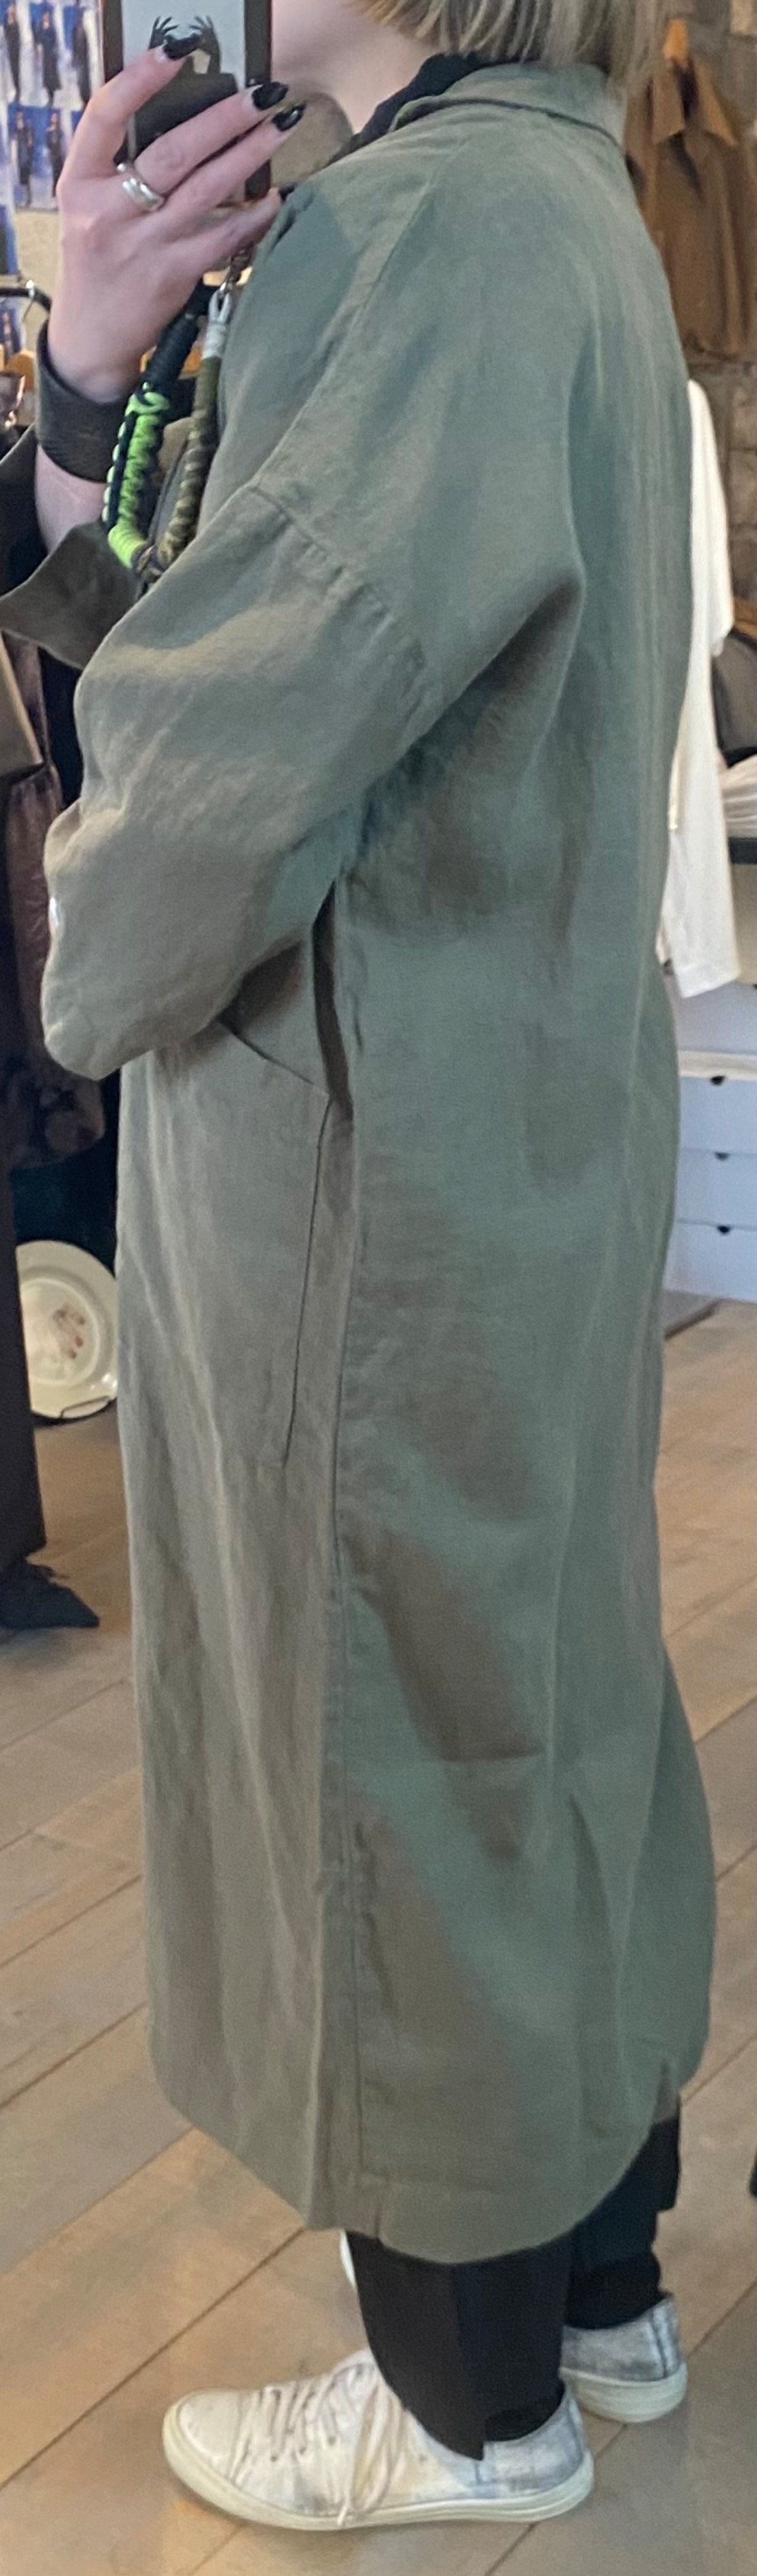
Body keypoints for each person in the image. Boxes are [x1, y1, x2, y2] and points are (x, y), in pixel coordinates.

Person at [0, 0, 714, 2538]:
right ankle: (599, 2289)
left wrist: (83, 946)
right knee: (522, 1685)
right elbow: (173, 570)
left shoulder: (422, 241)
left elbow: (209, 752)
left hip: (362, 1148)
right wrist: (95, 373)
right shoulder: (536, 197)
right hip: (497, 1112)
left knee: (378, 1733)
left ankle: (463, 2402)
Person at [35, 1, 60, 101]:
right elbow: (38, 40)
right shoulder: (41, 28)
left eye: (47, 15)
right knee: (47, 77)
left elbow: (55, 40)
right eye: (45, 15)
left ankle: (52, 97)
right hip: (45, 56)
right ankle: (49, 97)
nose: (46, 17)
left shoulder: (52, 28)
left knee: (52, 76)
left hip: (52, 56)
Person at [2, 1, 22, 102]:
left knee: (15, 71)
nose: (11, 9)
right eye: (10, 7)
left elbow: (18, 38)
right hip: (7, 49)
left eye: (13, 8)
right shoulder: (6, 20)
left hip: (15, 50)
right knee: (8, 70)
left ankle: (18, 91)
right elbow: (5, 34)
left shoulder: (16, 23)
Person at [46, 100, 64, 193]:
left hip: (59, 155)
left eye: (56, 118)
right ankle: (54, 191)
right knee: (55, 174)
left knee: (60, 173)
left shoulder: (59, 130)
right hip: (53, 155)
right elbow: (48, 144)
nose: (54, 119)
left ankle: (59, 190)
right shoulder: (49, 131)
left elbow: (61, 140)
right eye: (53, 117)